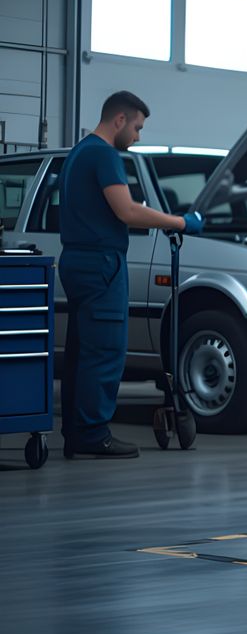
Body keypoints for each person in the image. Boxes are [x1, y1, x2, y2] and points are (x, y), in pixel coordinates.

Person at [58, 91, 202, 458]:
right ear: (119, 119)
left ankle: (76, 432)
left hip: (77, 260)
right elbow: (127, 211)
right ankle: (93, 435)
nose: (137, 136)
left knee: (82, 351)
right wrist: (179, 222)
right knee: (105, 350)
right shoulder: (104, 154)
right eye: (137, 128)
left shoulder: (79, 152)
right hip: (101, 263)